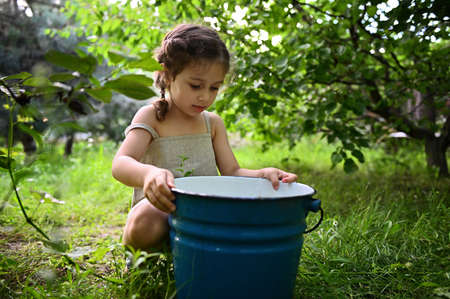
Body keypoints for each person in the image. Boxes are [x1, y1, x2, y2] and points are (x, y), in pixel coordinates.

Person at [112, 24, 298, 252]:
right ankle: (139, 264)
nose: (205, 96)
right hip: (160, 213)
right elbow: (120, 164)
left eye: (214, 88)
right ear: (167, 74)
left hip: (202, 215)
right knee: (150, 216)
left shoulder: (213, 123)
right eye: (196, 85)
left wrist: (262, 174)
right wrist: (149, 174)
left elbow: (232, 173)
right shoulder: (152, 116)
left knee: (244, 213)